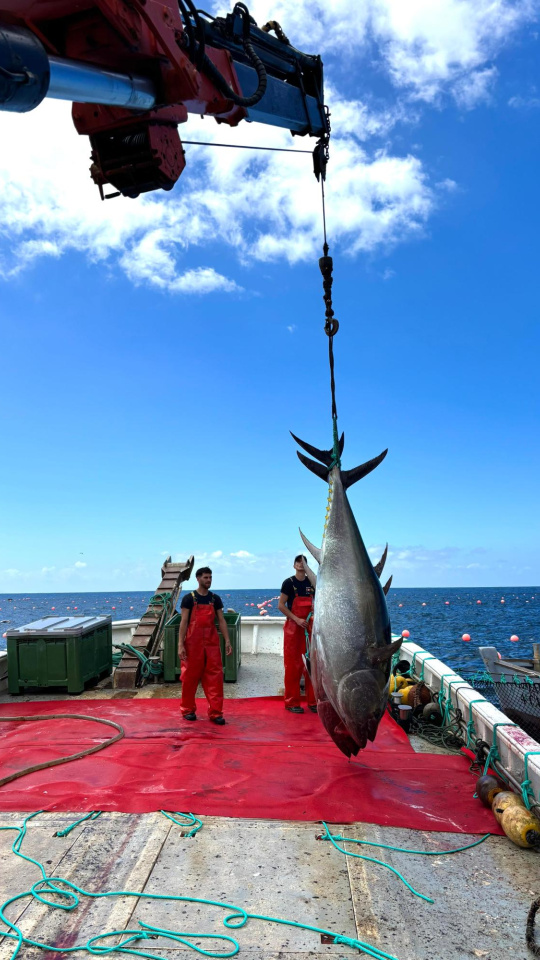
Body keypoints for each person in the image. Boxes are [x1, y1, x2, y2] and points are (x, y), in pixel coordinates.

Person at [178, 566, 232, 724]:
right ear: (198, 578)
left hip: (211, 644)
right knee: (189, 678)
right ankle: (187, 710)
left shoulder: (215, 599)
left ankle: (216, 713)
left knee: (215, 677)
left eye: (210, 577)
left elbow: (221, 621)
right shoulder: (189, 598)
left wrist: (227, 640)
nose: (209, 580)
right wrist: (180, 645)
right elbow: (184, 622)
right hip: (192, 644)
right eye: (206, 578)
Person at [278, 555, 317, 714]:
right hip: (294, 628)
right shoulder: (288, 583)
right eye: (298, 561)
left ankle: (314, 702)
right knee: (293, 667)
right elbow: (281, 605)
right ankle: (292, 702)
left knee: (313, 666)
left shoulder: (312, 582)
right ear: (294, 565)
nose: (301, 564)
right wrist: (296, 619)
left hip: (310, 628)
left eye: (304, 562)